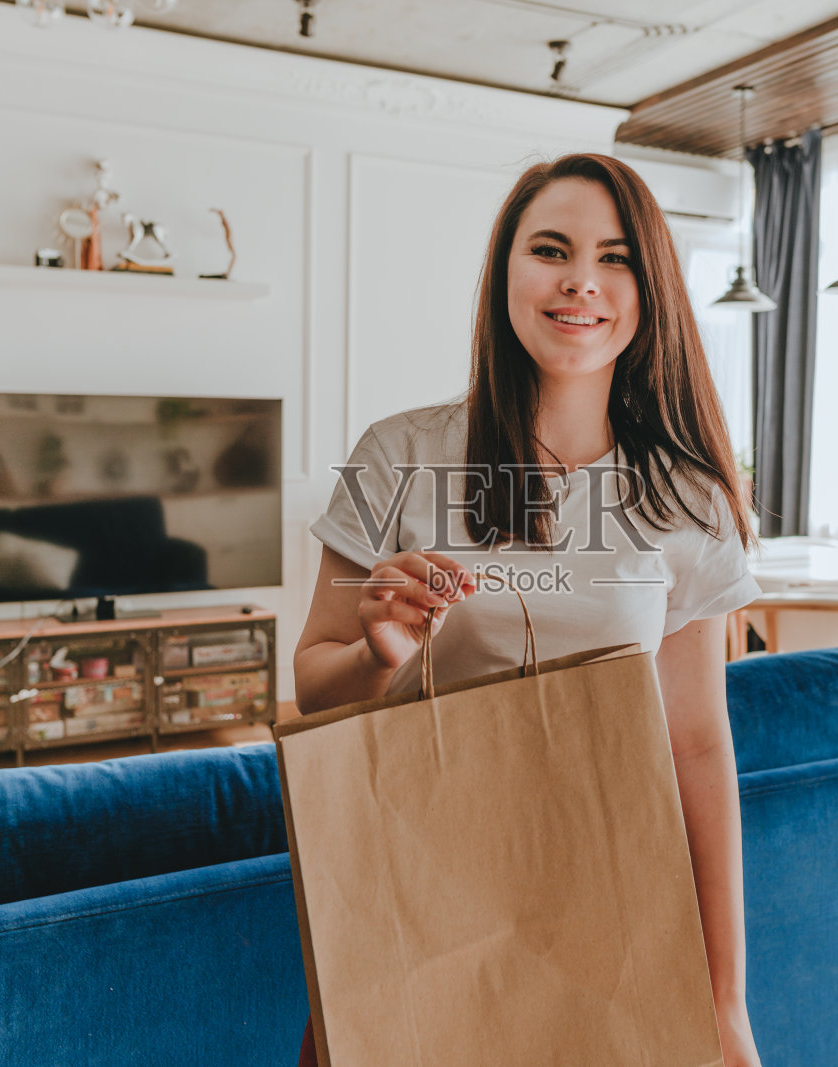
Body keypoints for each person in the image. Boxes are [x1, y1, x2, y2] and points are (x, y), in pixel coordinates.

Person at [292, 153, 764, 1067]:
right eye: (551, 249)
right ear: (506, 272)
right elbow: (314, 688)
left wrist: (726, 999)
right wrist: (376, 655)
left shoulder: (688, 496)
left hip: (612, 905)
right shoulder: (395, 456)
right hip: (406, 897)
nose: (580, 279)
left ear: (649, 287)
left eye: (615, 257)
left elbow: (697, 746)